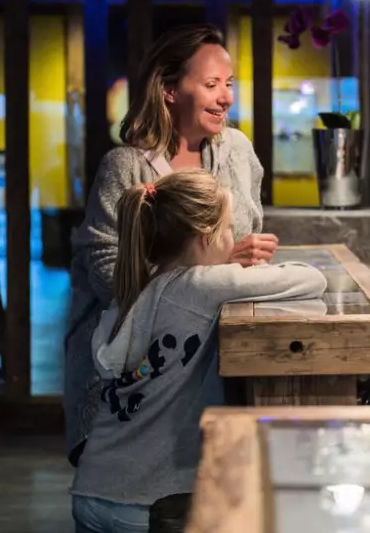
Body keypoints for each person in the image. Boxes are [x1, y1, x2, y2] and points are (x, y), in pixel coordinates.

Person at [64, 23, 279, 465]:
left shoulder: (238, 151)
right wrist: (218, 265)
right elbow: (108, 275)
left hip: (217, 353)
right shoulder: (125, 167)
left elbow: (245, 238)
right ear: (169, 89)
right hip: (132, 366)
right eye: (211, 84)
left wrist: (251, 256)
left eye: (229, 84)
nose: (226, 97)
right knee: (128, 486)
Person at [70, 169, 327, 532]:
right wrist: (230, 264)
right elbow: (311, 279)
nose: (233, 238)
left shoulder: (137, 287)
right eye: (228, 228)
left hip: (92, 487)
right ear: (207, 236)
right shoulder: (202, 285)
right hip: (145, 501)